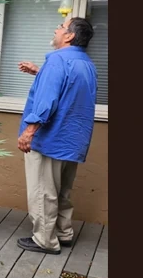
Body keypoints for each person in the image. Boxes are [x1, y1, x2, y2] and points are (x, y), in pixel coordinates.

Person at [15, 17, 97, 255]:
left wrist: (29, 131)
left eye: (61, 27)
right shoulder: (86, 64)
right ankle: (63, 233)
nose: (56, 29)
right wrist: (39, 72)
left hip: (50, 139)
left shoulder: (58, 61)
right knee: (62, 190)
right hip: (73, 140)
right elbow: (70, 87)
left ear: (69, 36)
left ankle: (45, 240)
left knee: (43, 191)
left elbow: (47, 101)